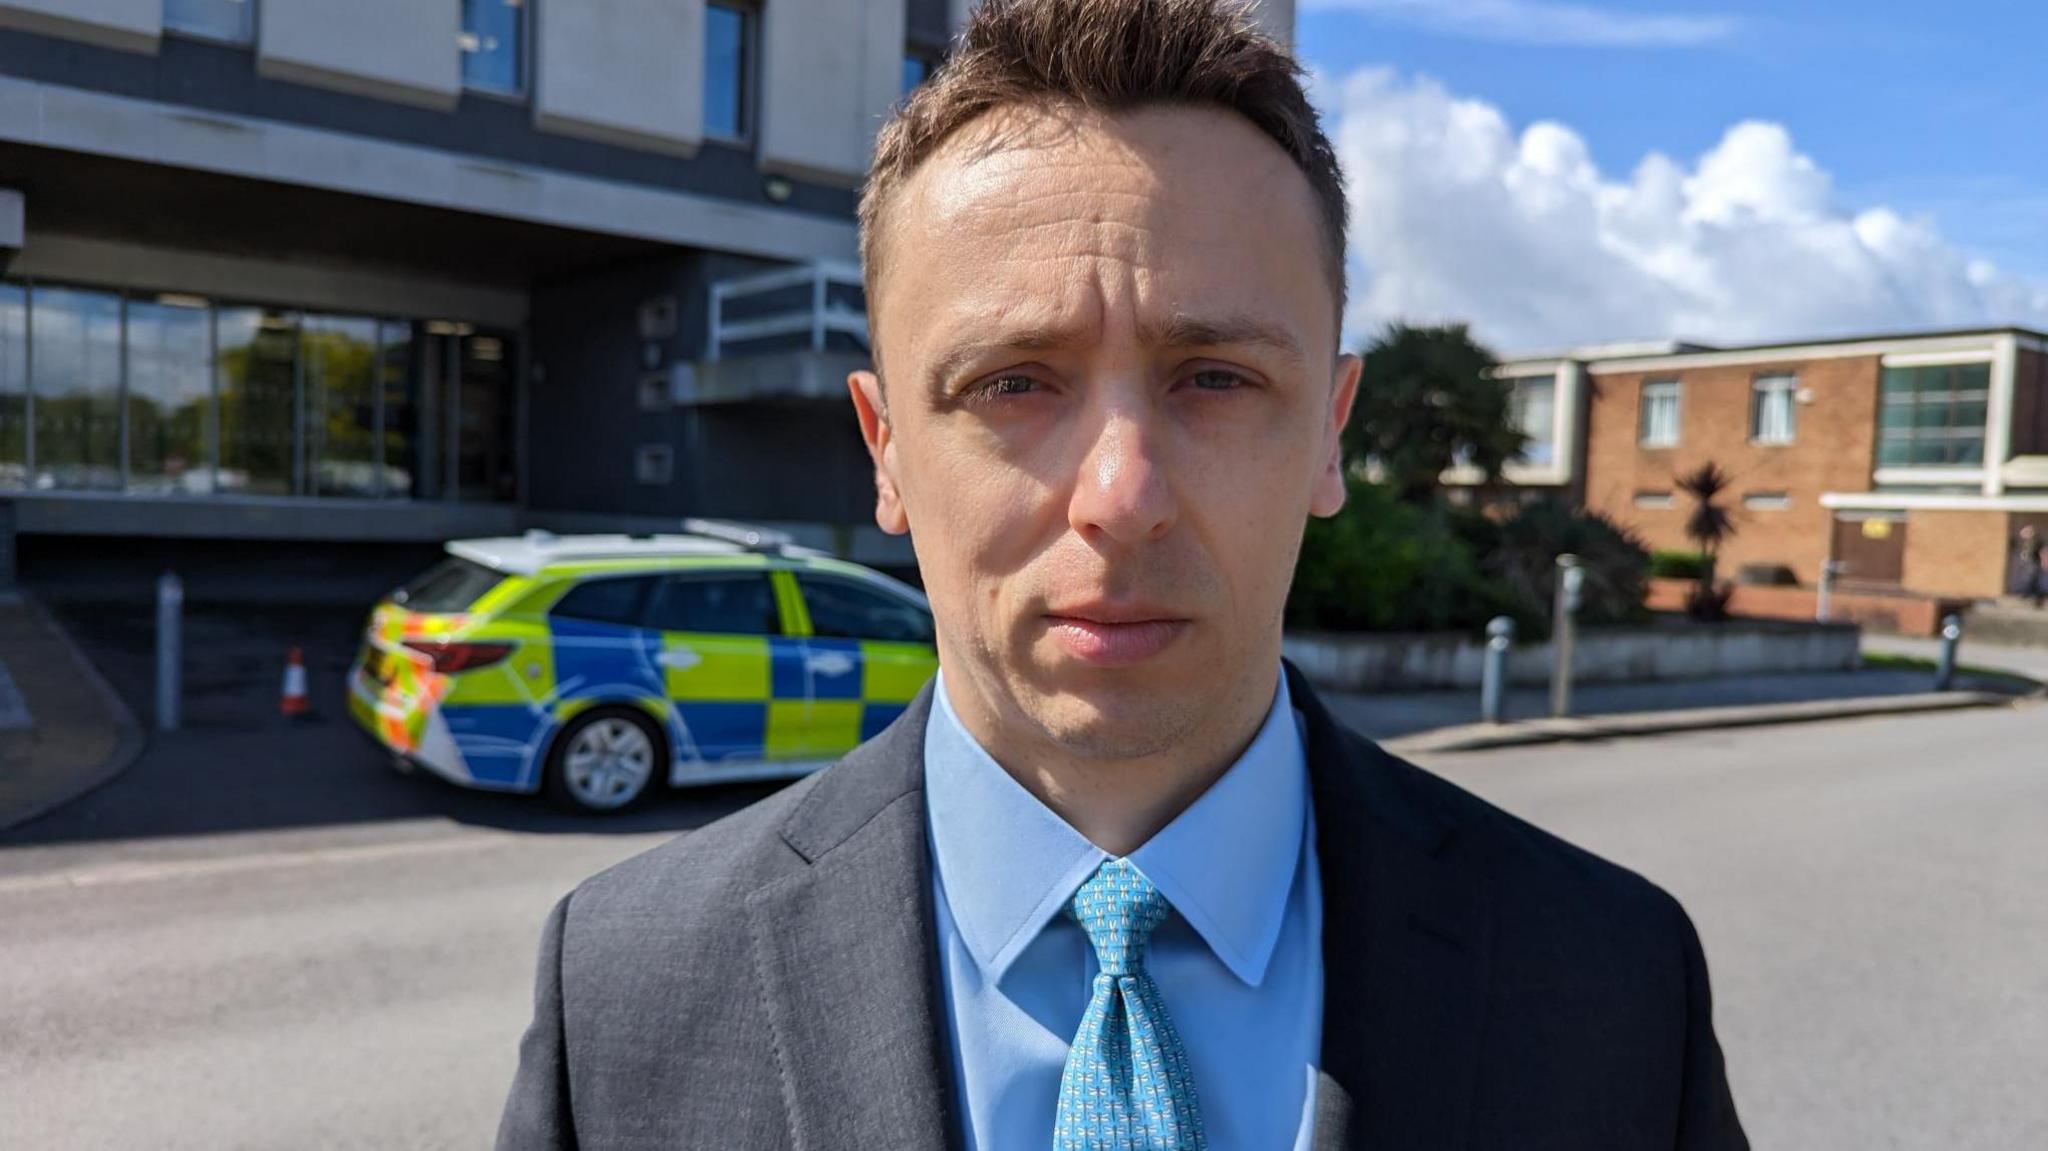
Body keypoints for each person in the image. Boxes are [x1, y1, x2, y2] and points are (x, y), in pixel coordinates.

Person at [495, 1, 1749, 1147]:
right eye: (1010, 384)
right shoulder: (625, 989)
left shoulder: (1609, 977)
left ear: (1329, 430)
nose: (1121, 498)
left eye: (1213, 378)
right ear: (884, 450)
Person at [2015, 525, 2044, 609]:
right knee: (2029, 580)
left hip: (2033, 564)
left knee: (2031, 580)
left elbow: (2035, 553)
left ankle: (2037, 598)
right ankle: (2031, 596)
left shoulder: (2034, 542)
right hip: (2028, 564)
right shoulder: (2026, 542)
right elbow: (2025, 554)